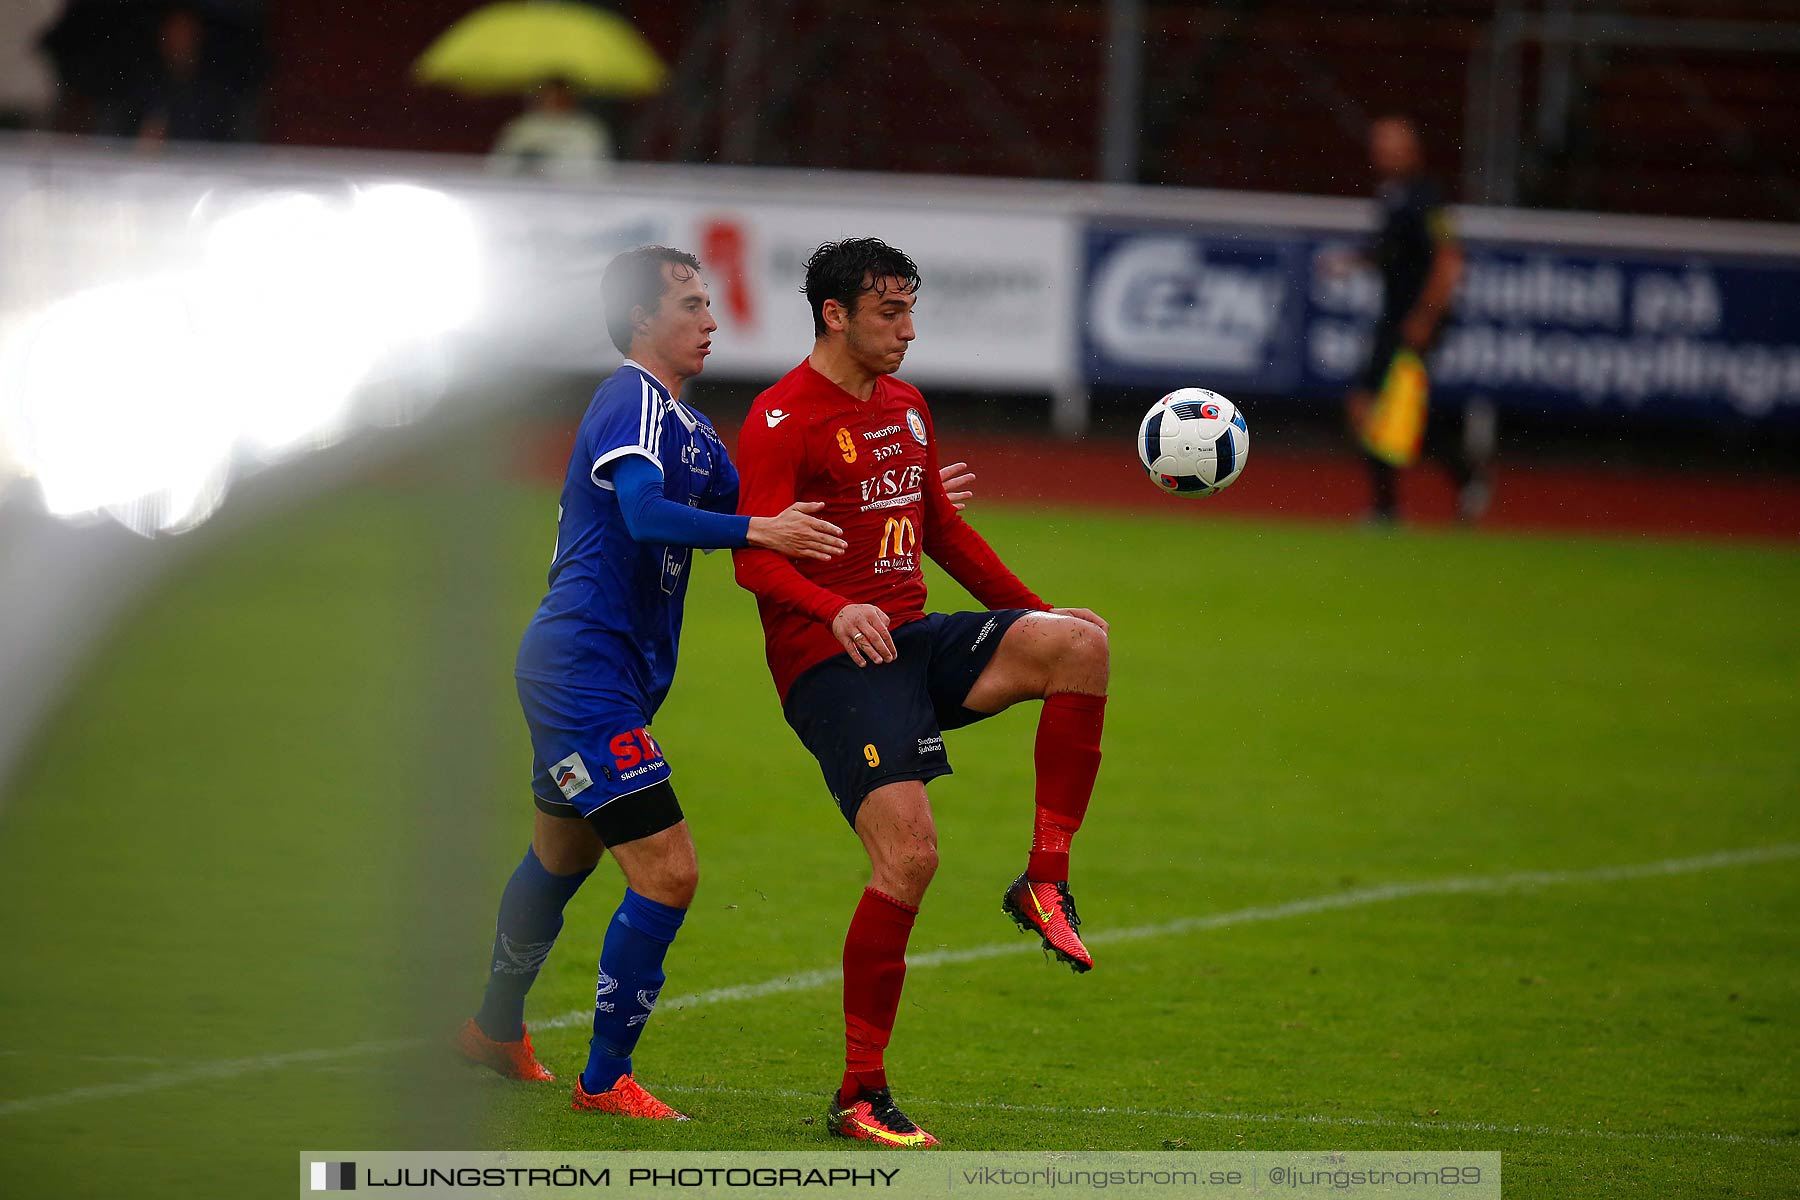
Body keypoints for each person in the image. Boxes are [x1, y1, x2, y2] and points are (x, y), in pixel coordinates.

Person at [454, 245, 976, 1120]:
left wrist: (912, 504)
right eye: (691, 305)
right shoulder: (632, 399)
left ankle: (492, 1031)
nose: (711, 320)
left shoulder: (692, 430)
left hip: (610, 673)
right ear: (638, 321)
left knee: (564, 852)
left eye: (708, 303)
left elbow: (798, 517)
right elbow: (646, 512)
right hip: (584, 670)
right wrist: (754, 532)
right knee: (668, 872)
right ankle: (603, 1080)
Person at [732, 238, 1111, 1148]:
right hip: (833, 666)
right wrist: (831, 611)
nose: (909, 328)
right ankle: (860, 1094)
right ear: (836, 315)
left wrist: (1032, 612)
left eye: (911, 308)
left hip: (913, 637)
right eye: (890, 311)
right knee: (911, 859)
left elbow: (939, 529)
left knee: (1081, 646)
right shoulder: (783, 419)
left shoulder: (905, 405)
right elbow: (750, 557)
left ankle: (1045, 883)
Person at [1342, 116, 1489, 524]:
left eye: (1392, 144)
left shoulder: (1427, 197)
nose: (1384, 151)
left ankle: (1408, 499)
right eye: (1380, 144)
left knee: (1379, 407)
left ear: (1412, 149)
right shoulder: (1393, 195)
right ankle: (1453, 482)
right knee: (1385, 409)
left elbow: (1449, 259)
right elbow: (1390, 252)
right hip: (1394, 318)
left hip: (1413, 321)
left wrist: (1425, 316)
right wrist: (1351, 263)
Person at [489, 77, 613, 180]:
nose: (555, 101)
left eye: (561, 96)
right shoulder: (522, 127)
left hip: (574, 200)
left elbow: (601, 171)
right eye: (550, 96)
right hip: (526, 196)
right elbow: (500, 167)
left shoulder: (588, 129)